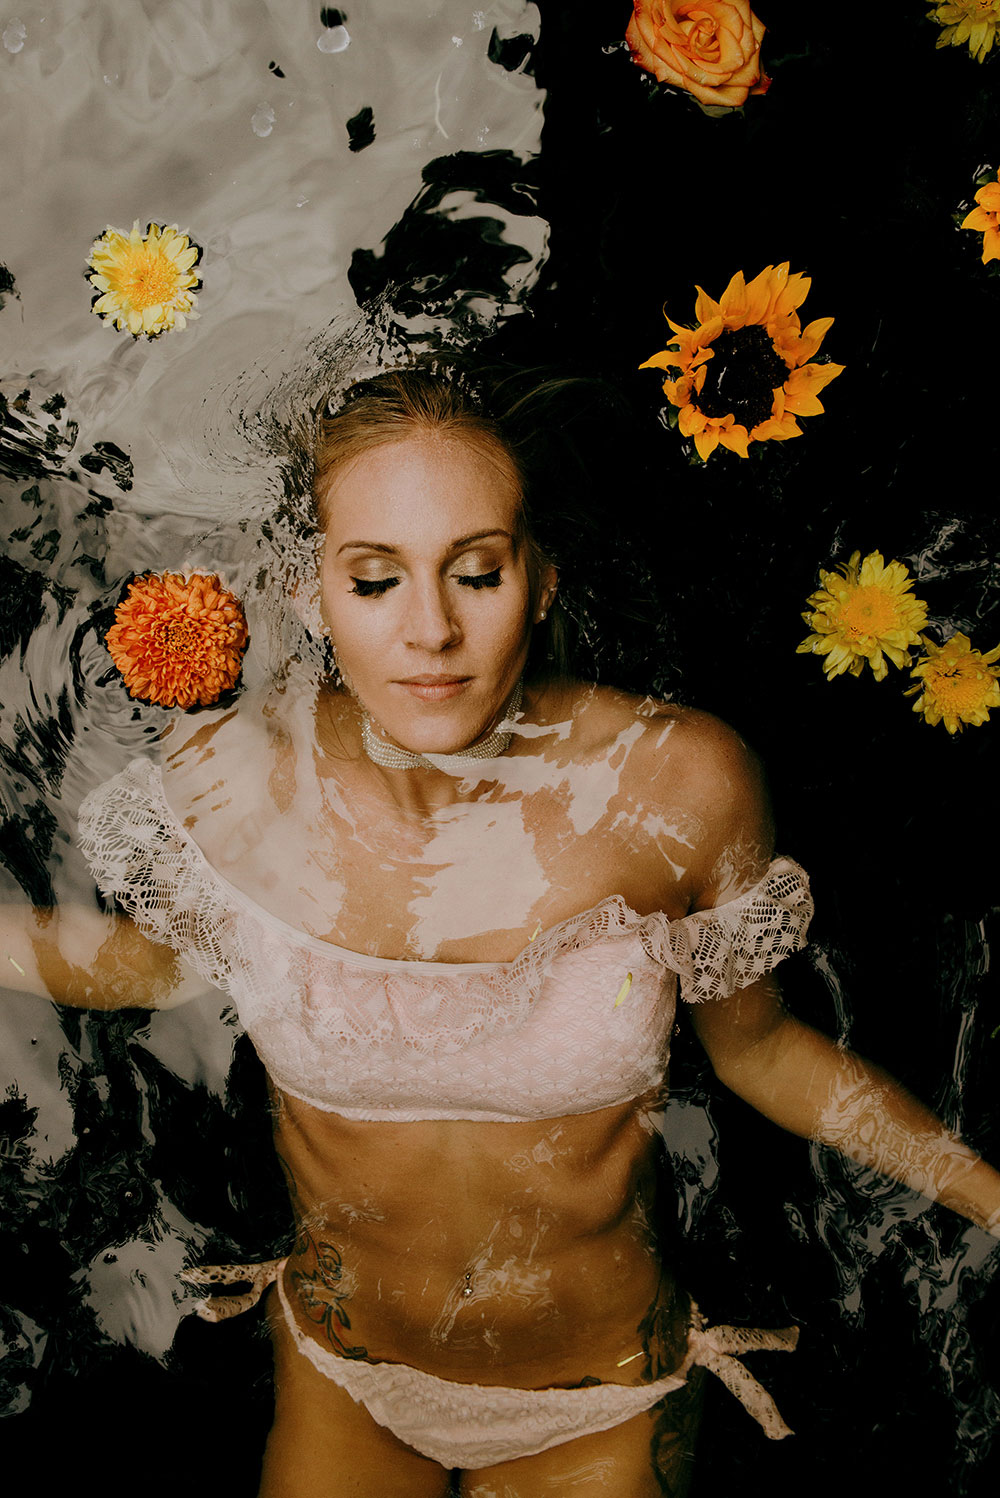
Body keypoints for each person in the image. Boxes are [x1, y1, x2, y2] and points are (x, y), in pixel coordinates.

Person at [6, 361, 1000, 1498]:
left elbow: (761, 1049)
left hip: (599, 1392)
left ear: (537, 579)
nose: (430, 630)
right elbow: (150, 965)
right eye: (374, 581)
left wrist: (984, 1193)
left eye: (474, 572)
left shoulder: (675, 783)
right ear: (307, 590)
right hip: (346, 1368)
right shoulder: (236, 779)